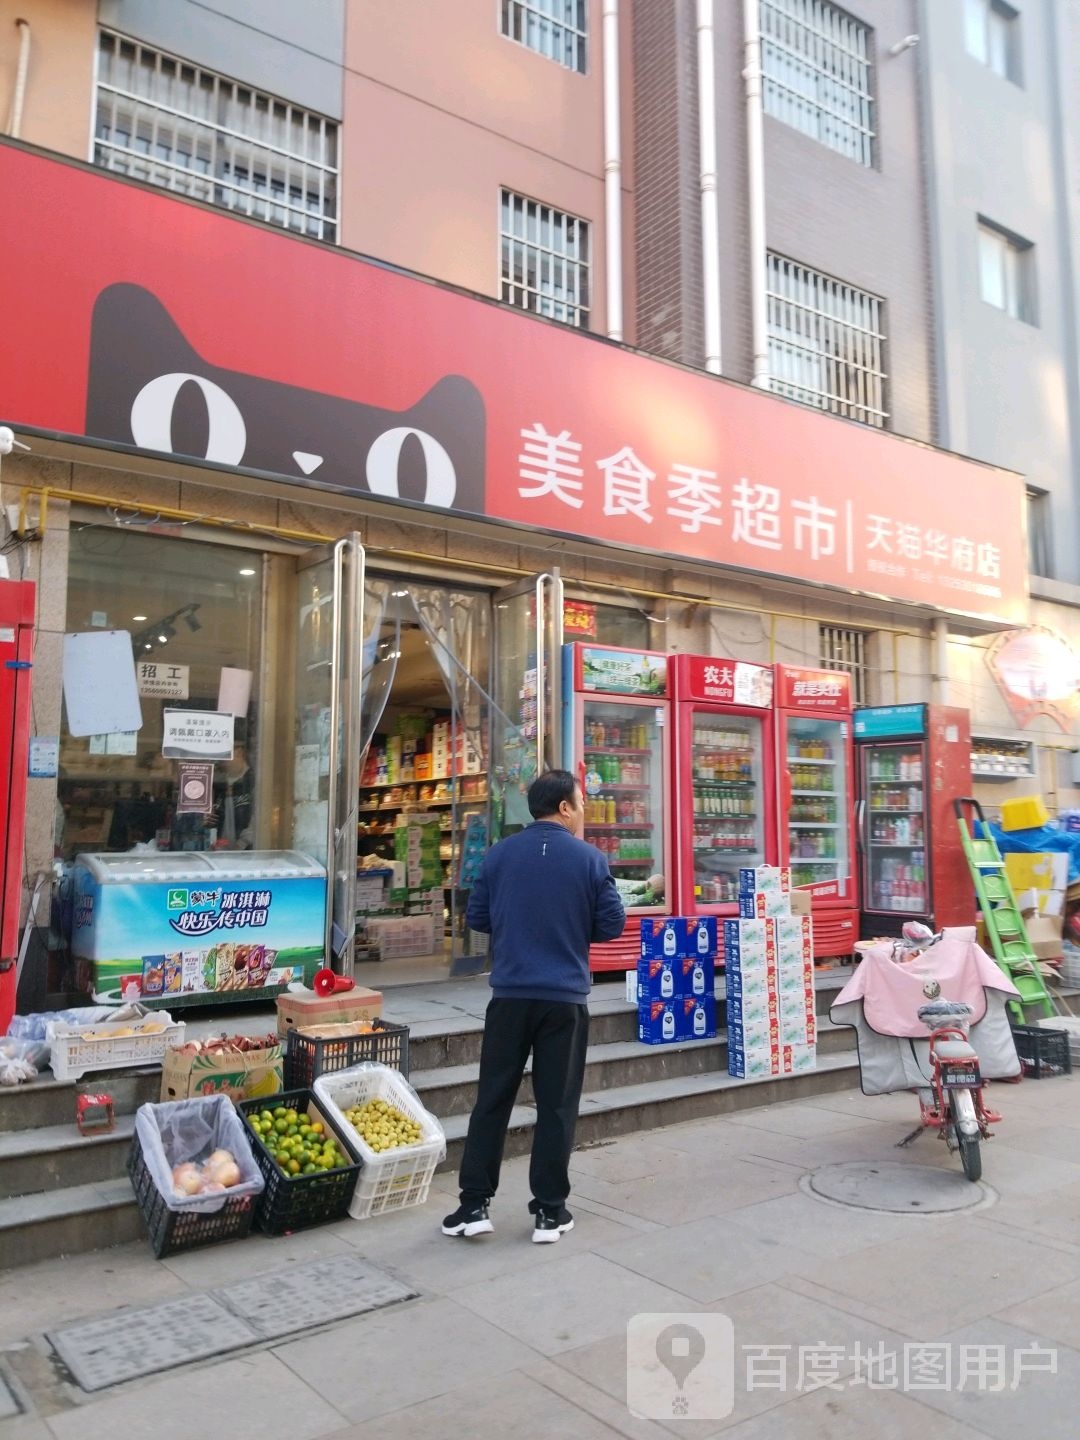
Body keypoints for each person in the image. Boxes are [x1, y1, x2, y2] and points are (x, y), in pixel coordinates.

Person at [442, 769, 626, 1244]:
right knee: (557, 1105)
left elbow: (478, 917)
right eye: (580, 803)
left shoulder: (499, 855)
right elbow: (611, 925)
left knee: (492, 1099)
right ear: (564, 807)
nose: (583, 811)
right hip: (564, 1000)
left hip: (510, 997)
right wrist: (570, 925)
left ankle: (473, 1205)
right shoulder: (590, 859)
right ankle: (549, 1211)